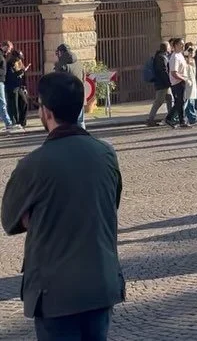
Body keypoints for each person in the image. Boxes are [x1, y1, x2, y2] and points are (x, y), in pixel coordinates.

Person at [1, 71, 125, 340]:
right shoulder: (106, 154)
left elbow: (9, 218)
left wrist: (37, 215)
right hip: (100, 283)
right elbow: (109, 201)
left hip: (55, 291)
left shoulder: (32, 164)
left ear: (45, 112)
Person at [145, 40, 173, 127]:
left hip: (162, 83)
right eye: (169, 47)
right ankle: (150, 119)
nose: (170, 48)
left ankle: (171, 117)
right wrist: (168, 82)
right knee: (158, 101)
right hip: (162, 84)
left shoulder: (160, 56)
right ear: (166, 48)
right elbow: (163, 71)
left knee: (170, 99)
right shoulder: (161, 57)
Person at [4, 42, 29, 127]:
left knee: (24, 102)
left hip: (19, 87)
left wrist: (24, 87)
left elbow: (23, 76)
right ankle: (16, 122)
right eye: (18, 58)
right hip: (11, 87)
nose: (19, 60)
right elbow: (10, 76)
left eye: (20, 58)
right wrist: (20, 72)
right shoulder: (9, 63)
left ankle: (22, 122)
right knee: (14, 106)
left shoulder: (19, 62)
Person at [168, 38, 189, 128]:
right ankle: (182, 121)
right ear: (175, 45)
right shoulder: (175, 57)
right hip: (177, 82)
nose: (182, 46)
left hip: (182, 81)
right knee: (180, 102)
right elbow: (174, 72)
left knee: (180, 102)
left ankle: (170, 118)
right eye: (180, 44)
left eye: (183, 44)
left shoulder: (180, 55)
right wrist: (184, 79)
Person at [0, 41, 19, 132]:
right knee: (2, 102)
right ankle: (8, 123)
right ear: (5, 46)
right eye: (9, 49)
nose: (9, 51)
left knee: (2, 103)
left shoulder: (2, 55)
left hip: (1, 81)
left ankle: (8, 123)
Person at [183, 42, 197, 125]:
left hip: (193, 83)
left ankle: (192, 117)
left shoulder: (193, 60)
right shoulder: (184, 61)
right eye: (190, 50)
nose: (192, 52)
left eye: (193, 50)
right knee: (188, 102)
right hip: (188, 83)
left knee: (191, 101)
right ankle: (192, 118)